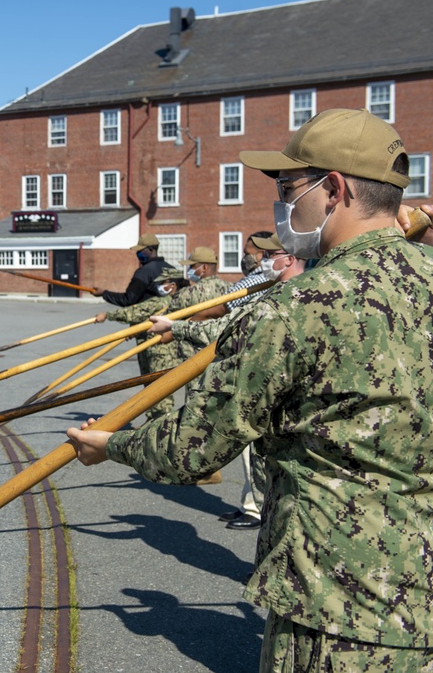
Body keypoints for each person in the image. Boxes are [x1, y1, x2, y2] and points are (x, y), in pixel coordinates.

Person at [65, 108, 433, 671]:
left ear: (333, 189)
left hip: (337, 606)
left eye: (288, 188)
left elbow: (191, 449)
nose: (280, 205)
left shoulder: (298, 309)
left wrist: (110, 444)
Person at [151, 235, 307, 532]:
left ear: (289, 257)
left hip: (274, 395)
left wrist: (178, 327)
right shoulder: (267, 286)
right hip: (256, 388)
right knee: (255, 458)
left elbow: (227, 324)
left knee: (273, 468)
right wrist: (176, 326)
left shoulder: (284, 295)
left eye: (268, 254)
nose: (261, 260)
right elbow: (231, 322)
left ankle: (260, 512)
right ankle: (255, 507)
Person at [95, 270, 187, 419]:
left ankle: (159, 423)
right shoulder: (182, 300)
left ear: (173, 285)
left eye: (162, 283)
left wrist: (108, 315)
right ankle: (154, 422)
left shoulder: (161, 301)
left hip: (159, 351)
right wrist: (136, 330)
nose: (159, 286)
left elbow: (134, 312)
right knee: (160, 389)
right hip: (170, 351)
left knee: (157, 390)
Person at [94, 233, 173, 306]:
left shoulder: (144, 272)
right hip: (170, 319)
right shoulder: (173, 270)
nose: (138, 253)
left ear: (151, 249)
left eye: (141, 251)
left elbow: (128, 300)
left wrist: (104, 293)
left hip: (148, 319)